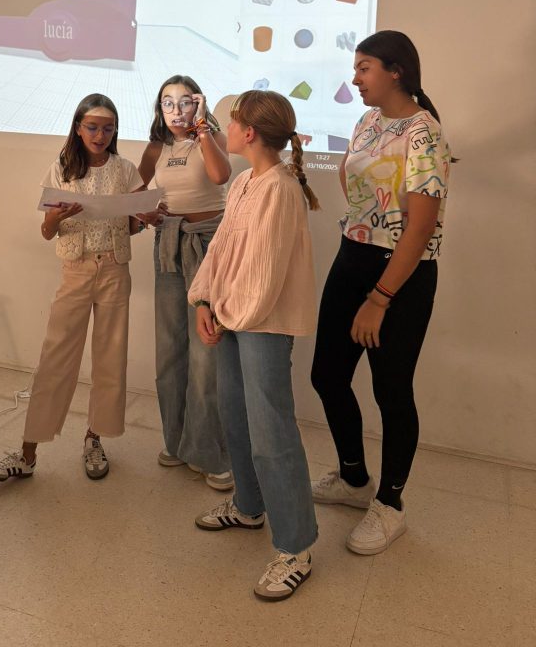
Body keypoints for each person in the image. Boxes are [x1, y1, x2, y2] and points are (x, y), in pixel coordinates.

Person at [310, 30, 452, 555]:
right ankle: (354, 479)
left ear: (396, 71)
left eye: (364, 67)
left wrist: (380, 297)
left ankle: (390, 504)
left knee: (391, 391)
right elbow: (352, 181)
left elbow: (421, 226)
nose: (355, 78)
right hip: (353, 255)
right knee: (327, 374)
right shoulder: (368, 120)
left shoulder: (424, 132)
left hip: (402, 272)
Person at [187, 90, 320, 601]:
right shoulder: (244, 181)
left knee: (271, 431)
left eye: (231, 121)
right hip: (232, 314)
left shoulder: (280, 190)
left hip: (260, 321)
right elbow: (222, 250)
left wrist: (224, 311)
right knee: (236, 415)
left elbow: (263, 275)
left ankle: (295, 546)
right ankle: (248, 506)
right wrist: (204, 299)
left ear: (249, 133)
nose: (225, 128)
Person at [0, 94, 143, 483]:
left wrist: (144, 218)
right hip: (76, 269)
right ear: (78, 128)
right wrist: (56, 217)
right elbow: (46, 231)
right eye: (93, 127)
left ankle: (94, 438)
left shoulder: (126, 170)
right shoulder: (61, 169)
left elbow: (133, 224)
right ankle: (27, 453)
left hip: (115, 269)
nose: (100, 135)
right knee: (56, 357)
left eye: (108, 128)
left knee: (110, 358)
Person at [138, 76, 232, 490]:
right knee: (169, 349)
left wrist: (203, 130)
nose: (176, 111)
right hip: (168, 244)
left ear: (199, 104)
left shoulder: (211, 139)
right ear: (159, 109)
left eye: (185, 102)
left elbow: (220, 175)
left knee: (206, 354)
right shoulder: (155, 147)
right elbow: (137, 194)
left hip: (209, 245)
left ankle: (209, 451)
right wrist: (146, 213)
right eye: (167, 103)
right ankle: (176, 443)